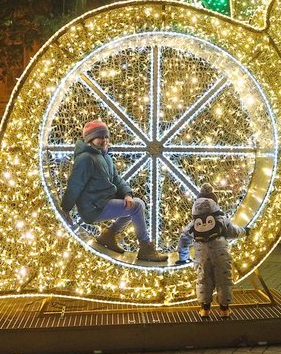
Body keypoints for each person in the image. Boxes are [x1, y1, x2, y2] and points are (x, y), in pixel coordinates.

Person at [60, 120, 167, 262]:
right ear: (90, 140)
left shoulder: (106, 157)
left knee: (132, 206)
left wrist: (127, 194)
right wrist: (65, 209)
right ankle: (145, 248)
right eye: (100, 137)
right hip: (93, 207)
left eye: (106, 137)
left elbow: (117, 179)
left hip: (102, 202)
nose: (104, 140)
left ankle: (108, 235)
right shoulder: (86, 158)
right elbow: (75, 184)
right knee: (137, 207)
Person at [175, 183, 248, 319]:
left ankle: (205, 309)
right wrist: (245, 232)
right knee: (223, 280)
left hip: (201, 255)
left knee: (204, 280)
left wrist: (183, 256)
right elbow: (233, 232)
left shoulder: (194, 222)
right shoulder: (220, 218)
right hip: (220, 253)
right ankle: (224, 310)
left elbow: (184, 238)